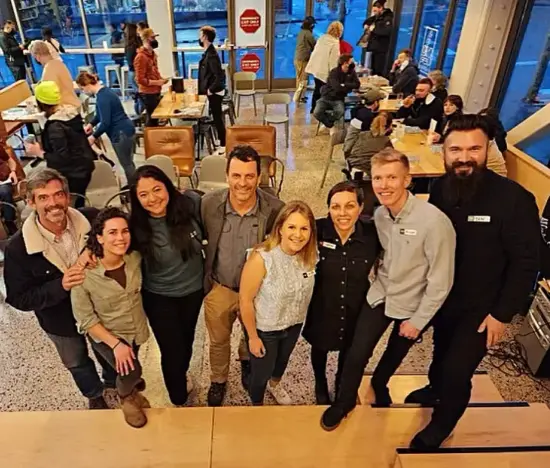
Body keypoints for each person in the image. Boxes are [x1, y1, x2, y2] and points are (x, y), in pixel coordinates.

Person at [405, 115, 540, 449]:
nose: (464, 157)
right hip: (444, 299)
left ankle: (442, 424)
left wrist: (502, 314)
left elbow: (527, 263)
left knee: (456, 369)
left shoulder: (515, 200)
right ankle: (434, 389)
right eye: (456, 150)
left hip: (484, 309)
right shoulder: (441, 188)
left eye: (473, 149)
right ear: (445, 152)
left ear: (486, 150)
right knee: (440, 353)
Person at [321, 148, 456, 431]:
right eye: (378, 178)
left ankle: (380, 383)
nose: (384, 185)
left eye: (392, 177)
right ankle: (344, 401)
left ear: (407, 179)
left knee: (394, 354)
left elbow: (441, 280)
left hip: (414, 304)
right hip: (381, 294)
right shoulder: (380, 215)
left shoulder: (434, 222)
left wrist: (418, 321)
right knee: (358, 353)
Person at [4, 168, 115, 410]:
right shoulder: (18, 248)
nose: (53, 203)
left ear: (67, 196)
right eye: (43, 197)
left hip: (100, 311)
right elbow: (19, 298)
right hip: (59, 321)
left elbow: (121, 238)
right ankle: (94, 394)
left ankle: (113, 383)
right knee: (76, 361)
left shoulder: (93, 220)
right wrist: (60, 285)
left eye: (58, 195)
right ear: (30, 202)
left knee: (107, 350)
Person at [201, 145, 284, 406]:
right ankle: (218, 379)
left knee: (252, 335)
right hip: (220, 286)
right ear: (226, 176)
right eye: (236, 175)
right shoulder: (208, 204)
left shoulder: (275, 209)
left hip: (258, 292)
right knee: (218, 340)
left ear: (259, 177)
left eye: (250, 176)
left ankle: (246, 361)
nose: (243, 183)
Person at [130, 165, 204, 406]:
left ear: (168, 187)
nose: (152, 199)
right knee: (172, 351)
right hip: (159, 297)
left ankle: (182, 375)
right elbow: (103, 234)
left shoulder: (191, 206)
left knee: (187, 341)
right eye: (143, 194)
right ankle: (178, 398)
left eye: (157, 189)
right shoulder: (134, 228)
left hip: (193, 292)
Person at [71, 207, 150, 428]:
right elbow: (85, 319)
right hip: (106, 336)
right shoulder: (83, 274)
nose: (120, 238)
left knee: (127, 368)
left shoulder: (134, 258)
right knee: (132, 370)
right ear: (99, 237)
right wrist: (116, 345)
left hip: (135, 329)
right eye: (112, 232)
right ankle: (126, 398)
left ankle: (130, 388)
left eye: (124, 231)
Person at [303, 182, 380, 404]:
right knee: (319, 346)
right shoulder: (316, 231)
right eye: (336, 207)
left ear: (361, 207)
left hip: (355, 305)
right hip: (322, 304)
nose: (342, 213)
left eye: (349, 206)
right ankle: (320, 382)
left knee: (349, 347)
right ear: (328, 208)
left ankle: (340, 382)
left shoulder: (373, 236)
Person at [241, 201, 317, 405]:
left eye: (304, 228)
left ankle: (275, 385)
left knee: (281, 363)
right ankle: (256, 403)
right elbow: (245, 300)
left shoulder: (310, 256)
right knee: (261, 373)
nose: (298, 234)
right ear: (280, 228)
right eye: (291, 227)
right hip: (267, 329)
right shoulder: (262, 258)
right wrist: (253, 337)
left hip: (294, 324)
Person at [24, 81, 95, 208]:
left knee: (71, 207)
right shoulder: (71, 114)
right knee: (79, 202)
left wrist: (39, 153)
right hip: (84, 168)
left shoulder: (55, 127)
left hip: (73, 174)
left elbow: (63, 158)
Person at [77, 72, 136, 183]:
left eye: (82, 89)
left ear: (87, 85)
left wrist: (93, 137)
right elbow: (100, 115)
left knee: (127, 165)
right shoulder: (106, 92)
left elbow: (105, 122)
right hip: (127, 129)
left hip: (120, 133)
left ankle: (135, 190)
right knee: (129, 163)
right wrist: (91, 124)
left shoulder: (102, 98)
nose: (83, 92)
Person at [198, 25, 226, 156]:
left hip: (215, 92)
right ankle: (221, 141)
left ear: (204, 37)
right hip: (211, 91)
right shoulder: (208, 52)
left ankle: (223, 144)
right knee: (215, 117)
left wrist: (211, 89)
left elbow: (219, 76)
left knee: (217, 118)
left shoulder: (212, 55)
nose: (199, 37)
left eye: (200, 35)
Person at [313, 54, 360, 132]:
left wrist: (344, 85)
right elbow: (337, 87)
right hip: (326, 97)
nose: (353, 62)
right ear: (345, 63)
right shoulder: (334, 72)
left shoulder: (352, 72)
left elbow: (357, 84)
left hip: (338, 99)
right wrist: (347, 88)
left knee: (340, 111)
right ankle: (330, 124)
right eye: (351, 61)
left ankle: (327, 122)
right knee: (316, 113)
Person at [29, 40, 81, 109]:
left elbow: (48, 97)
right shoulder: (59, 64)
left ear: (37, 56)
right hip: (74, 103)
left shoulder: (48, 70)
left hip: (65, 108)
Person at [306, 21, 343, 114]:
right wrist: (335, 74)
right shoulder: (334, 42)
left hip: (316, 69)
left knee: (317, 89)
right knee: (325, 92)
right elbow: (333, 60)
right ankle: (320, 110)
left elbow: (315, 53)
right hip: (324, 71)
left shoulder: (322, 38)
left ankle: (313, 108)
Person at [134, 28, 168, 127]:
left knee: (155, 118)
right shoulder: (141, 57)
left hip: (155, 90)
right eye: (152, 37)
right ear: (146, 39)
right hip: (147, 93)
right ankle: (151, 139)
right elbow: (140, 79)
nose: (155, 40)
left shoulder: (152, 54)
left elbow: (154, 71)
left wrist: (161, 79)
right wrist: (158, 82)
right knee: (152, 119)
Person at [344, 113, 393, 179]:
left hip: (352, 165)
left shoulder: (362, 134)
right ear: (389, 127)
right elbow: (392, 157)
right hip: (369, 171)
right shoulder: (385, 140)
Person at [363, 1, 394, 77]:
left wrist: (373, 29)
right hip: (373, 47)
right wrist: (366, 24)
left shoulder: (387, 18)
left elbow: (386, 32)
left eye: (375, 11)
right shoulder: (377, 17)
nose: (374, 13)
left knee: (378, 70)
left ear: (381, 8)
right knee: (371, 69)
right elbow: (368, 20)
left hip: (381, 49)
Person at [294, 16, 316, 103]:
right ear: (310, 25)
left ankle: (301, 95)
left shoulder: (302, 32)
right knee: (302, 78)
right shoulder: (308, 33)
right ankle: (299, 97)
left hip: (299, 58)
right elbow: (314, 44)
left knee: (301, 77)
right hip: (302, 59)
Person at [124, 22, 143, 115]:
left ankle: (139, 116)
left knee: (138, 96)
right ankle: (140, 115)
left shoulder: (128, 45)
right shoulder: (134, 46)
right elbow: (134, 62)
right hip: (136, 72)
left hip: (132, 72)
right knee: (142, 96)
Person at [0, 145, 19, 235]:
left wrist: (13, 172)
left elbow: (10, 160)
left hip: (3, 180)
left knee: (5, 192)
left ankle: (9, 221)